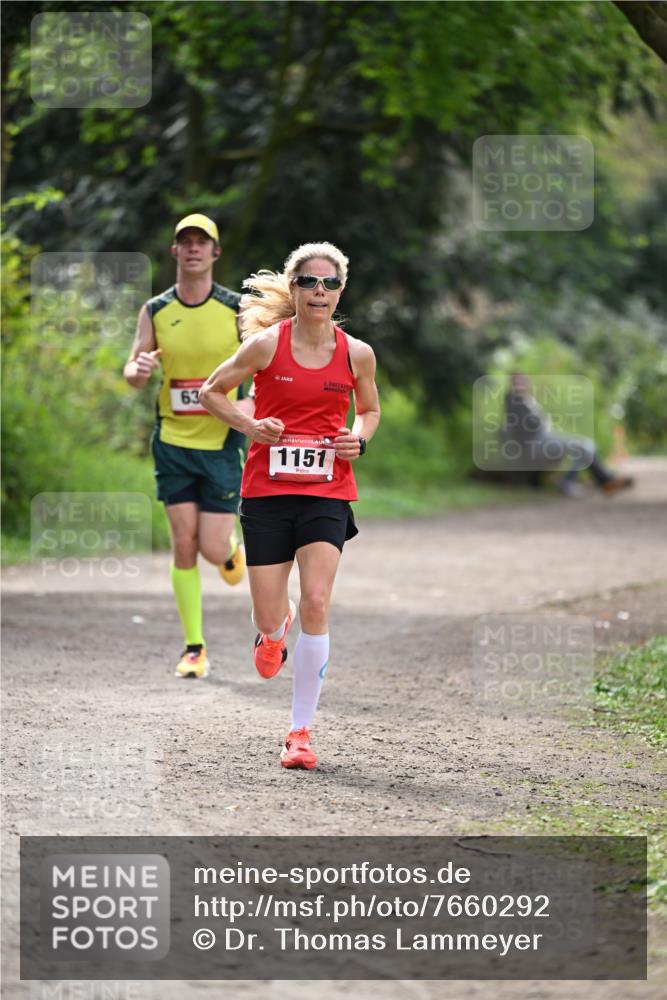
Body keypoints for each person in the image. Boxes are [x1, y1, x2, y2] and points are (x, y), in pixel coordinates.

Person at [199, 242, 380, 770]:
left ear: (340, 291)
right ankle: (273, 631)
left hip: (327, 490)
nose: (318, 291)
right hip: (267, 491)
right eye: (308, 282)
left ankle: (299, 733)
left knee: (318, 602)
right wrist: (251, 426)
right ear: (294, 289)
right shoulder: (263, 346)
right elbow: (213, 392)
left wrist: (358, 439)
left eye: (328, 283)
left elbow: (368, 410)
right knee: (270, 612)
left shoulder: (357, 353)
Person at [123, 213, 252, 679]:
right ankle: (194, 649)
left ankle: (231, 553)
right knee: (183, 543)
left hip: (220, 442)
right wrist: (136, 373)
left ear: (215, 253)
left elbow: (259, 367)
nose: (194, 248)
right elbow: (136, 365)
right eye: (186, 242)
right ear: (175, 252)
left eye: (203, 242)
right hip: (173, 440)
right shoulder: (155, 309)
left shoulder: (237, 309)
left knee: (213, 550)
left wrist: (251, 402)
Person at [501, 373, 634, 497]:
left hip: (544, 439)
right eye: (518, 381)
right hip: (537, 443)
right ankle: (595, 480)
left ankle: (602, 480)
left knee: (585, 446)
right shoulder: (515, 400)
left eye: (524, 380)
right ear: (512, 384)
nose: (523, 384)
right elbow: (531, 424)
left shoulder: (525, 400)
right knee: (584, 445)